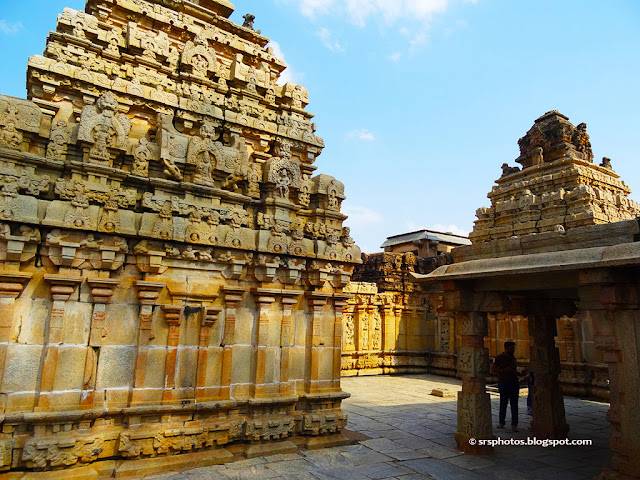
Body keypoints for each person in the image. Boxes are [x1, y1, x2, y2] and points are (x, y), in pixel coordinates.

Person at [491, 340, 526, 432]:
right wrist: (504, 370)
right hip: (504, 383)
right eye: (512, 347)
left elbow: (513, 370)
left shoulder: (513, 358)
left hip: (514, 383)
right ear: (507, 348)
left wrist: (520, 373)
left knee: (514, 405)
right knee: (503, 403)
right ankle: (501, 422)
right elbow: (493, 370)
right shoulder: (499, 358)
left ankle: (514, 424)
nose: (513, 349)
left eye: (514, 348)